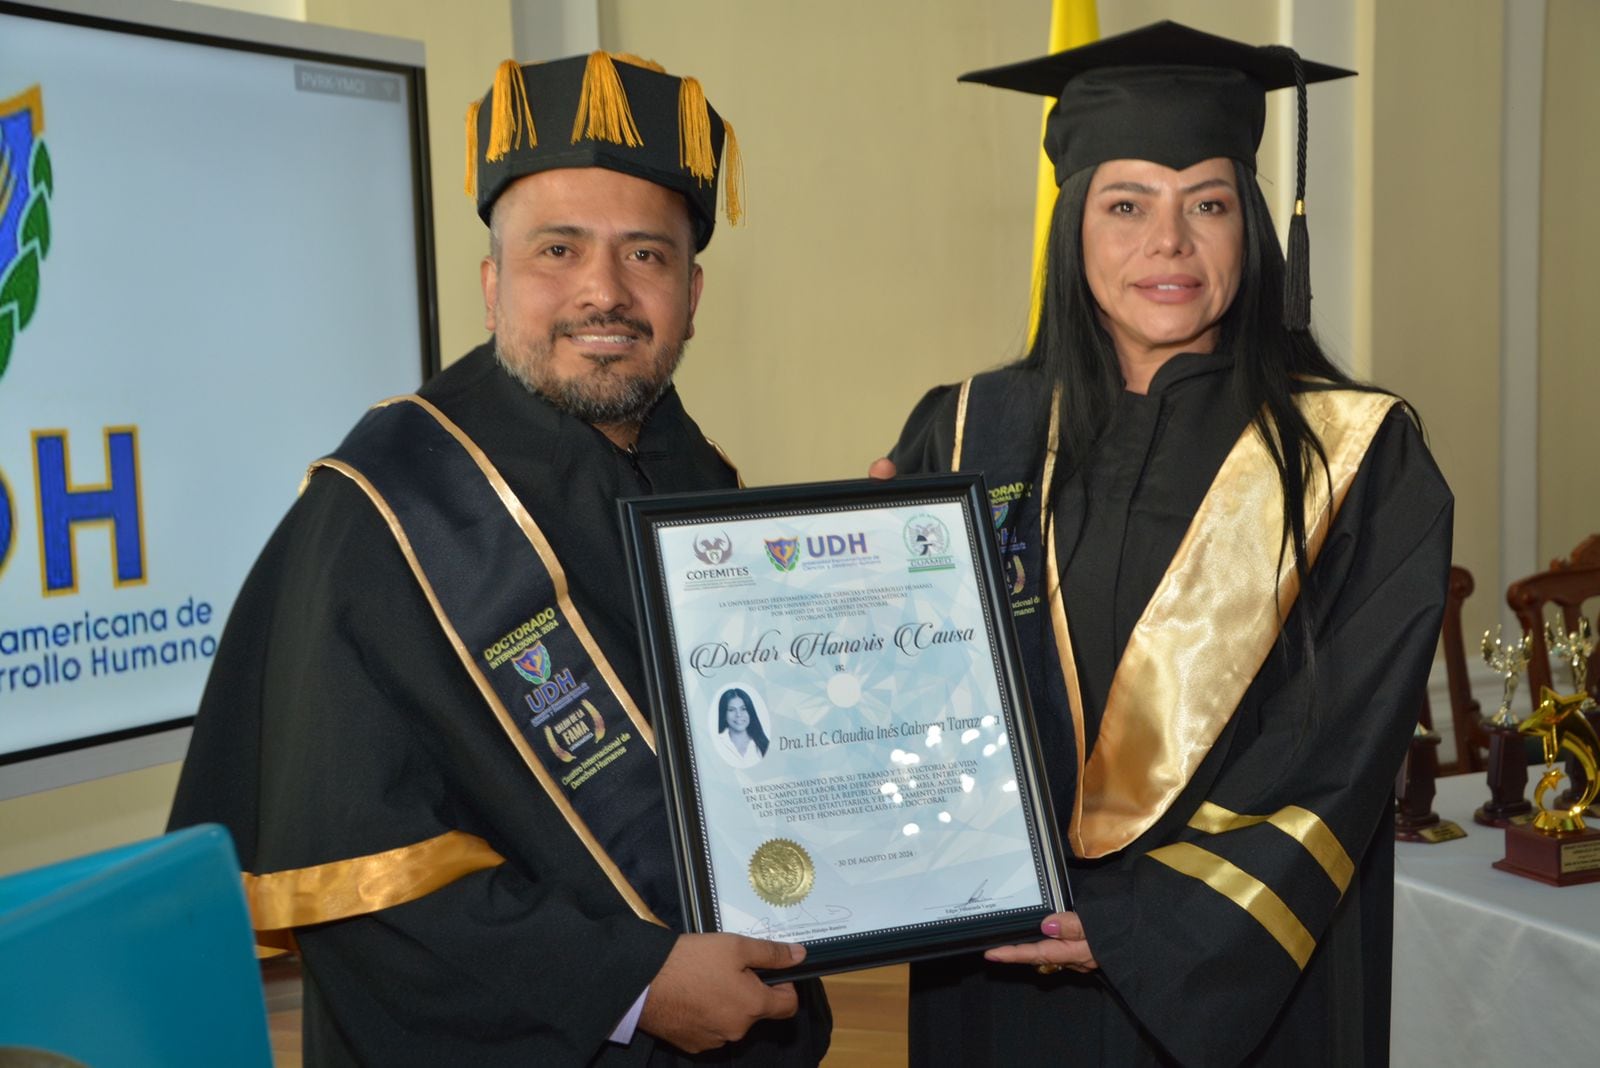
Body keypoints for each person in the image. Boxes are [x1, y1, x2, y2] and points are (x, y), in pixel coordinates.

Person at [169, 52, 830, 1066]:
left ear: (692, 292)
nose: (602, 293)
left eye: (644, 256)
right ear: (492, 284)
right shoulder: (383, 506)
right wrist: (632, 985)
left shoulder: (705, 482)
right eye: (556, 251)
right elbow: (361, 875)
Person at [875, 22, 1452, 1067]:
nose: (1169, 244)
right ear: (1074, 230)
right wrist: (858, 590)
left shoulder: (1356, 458)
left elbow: (1339, 749)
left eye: (1209, 205)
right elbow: (909, 700)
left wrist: (1145, 927)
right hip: (998, 950)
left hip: (1238, 976)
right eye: (1126, 204)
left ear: (1254, 229)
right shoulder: (964, 432)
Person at [715, 687, 770, 768]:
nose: (738, 714)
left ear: (750, 712)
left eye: (743, 709)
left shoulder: (764, 744)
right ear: (724, 714)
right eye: (731, 710)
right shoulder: (718, 743)